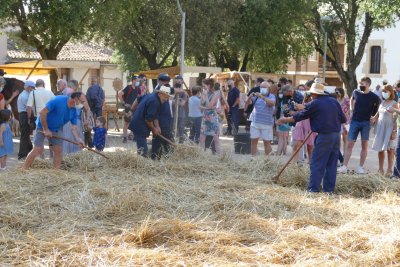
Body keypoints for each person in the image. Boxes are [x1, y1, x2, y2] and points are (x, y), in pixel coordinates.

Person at [277, 82, 346, 193]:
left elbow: (300, 116)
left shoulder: (315, 103)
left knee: (317, 163)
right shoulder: (334, 102)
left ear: (314, 93)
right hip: (336, 136)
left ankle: (313, 190)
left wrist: (284, 119)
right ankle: (328, 191)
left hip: (324, 136)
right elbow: (343, 119)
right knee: (331, 164)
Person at [23, 92, 85, 170]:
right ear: (76, 99)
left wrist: (78, 139)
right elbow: (42, 113)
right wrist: (46, 129)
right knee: (37, 149)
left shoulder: (74, 110)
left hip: (57, 129)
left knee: (58, 150)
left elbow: (74, 128)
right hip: (42, 126)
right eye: (82, 102)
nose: (83, 104)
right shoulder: (58, 100)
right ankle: (24, 169)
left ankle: (56, 172)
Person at [338, 77, 381, 174]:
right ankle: (344, 166)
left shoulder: (374, 97)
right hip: (355, 121)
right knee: (349, 144)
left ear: (368, 85)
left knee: (364, 146)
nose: (361, 85)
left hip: (366, 123)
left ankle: (360, 167)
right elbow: (352, 99)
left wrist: (375, 117)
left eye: (364, 84)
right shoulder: (356, 92)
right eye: (361, 83)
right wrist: (351, 108)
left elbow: (380, 106)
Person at [129, 85, 172, 157]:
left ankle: (140, 161)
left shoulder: (152, 96)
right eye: (165, 97)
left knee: (142, 148)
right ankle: (141, 165)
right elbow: (148, 120)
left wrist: (157, 126)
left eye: (167, 97)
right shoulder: (155, 102)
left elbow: (155, 115)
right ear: (160, 94)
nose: (166, 99)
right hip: (139, 125)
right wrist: (154, 129)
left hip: (138, 123)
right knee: (143, 150)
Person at [371, 85, 397, 176]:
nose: (384, 93)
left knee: (390, 149)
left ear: (390, 92)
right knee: (380, 149)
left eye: (385, 91)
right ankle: (380, 169)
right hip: (380, 127)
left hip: (389, 127)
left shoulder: (394, 103)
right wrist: (374, 118)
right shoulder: (382, 102)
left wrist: (394, 131)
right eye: (383, 91)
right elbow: (378, 112)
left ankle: (389, 170)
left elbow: (396, 118)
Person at [246, 81, 275, 156]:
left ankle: (267, 161)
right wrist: (249, 97)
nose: (262, 89)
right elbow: (247, 105)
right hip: (255, 122)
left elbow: (272, 103)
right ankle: (253, 158)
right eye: (261, 87)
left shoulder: (272, 96)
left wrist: (262, 97)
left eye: (264, 87)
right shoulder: (255, 96)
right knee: (253, 141)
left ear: (269, 88)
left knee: (267, 142)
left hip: (267, 124)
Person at [62, 80, 88, 156]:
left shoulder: (79, 95)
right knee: (71, 139)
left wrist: (87, 119)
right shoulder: (66, 95)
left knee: (71, 140)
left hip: (73, 121)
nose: (68, 88)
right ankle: (72, 157)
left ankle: (71, 157)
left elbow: (87, 108)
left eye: (69, 86)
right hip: (72, 121)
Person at [151, 74, 174, 160]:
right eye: (166, 82)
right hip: (161, 123)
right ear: (161, 81)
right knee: (158, 143)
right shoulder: (157, 94)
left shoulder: (164, 90)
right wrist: (157, 126)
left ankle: (163, 159)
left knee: (165, 143)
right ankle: (155, 159)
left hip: (166, 121)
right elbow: (155, 112)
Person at [291, 92, 316, 164]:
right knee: (296, 146)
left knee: (310, 148)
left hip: (310, 126)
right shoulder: (302, 103)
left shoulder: (315, 104)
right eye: (308, 96)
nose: (309, 97)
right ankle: (292, 165)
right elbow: (298, 112)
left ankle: (311, 165)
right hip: (300, 124)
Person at [200, 78, 222, 153]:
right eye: (202, 86)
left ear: (209, 85)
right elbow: (200, 106)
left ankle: (220, 156)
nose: (203, 88)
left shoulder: (215, 94)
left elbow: (209, 105)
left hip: (212, 118)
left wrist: (205, 96)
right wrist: (204, 96)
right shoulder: (203, 93)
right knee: (202, 138)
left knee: (215, 138)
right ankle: (201, 155)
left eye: (204, 86)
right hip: (205, 118)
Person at [17, 80, 35, 160]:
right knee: (24, 135)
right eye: (32, 87)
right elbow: (29, 108)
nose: (33, 89)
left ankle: (29, 150)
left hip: (23, 115)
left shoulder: (24, 94)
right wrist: (29, 118)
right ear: (28, 87)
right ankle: (22, 154)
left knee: (26, 134)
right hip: (25, 115)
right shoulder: (25, 96)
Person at [118, 75, 139, 143]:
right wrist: (124, 103)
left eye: (138, 81)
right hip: (128, 108)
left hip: (135, 108)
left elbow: (138, 97)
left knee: (134, 122)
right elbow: (120, 94)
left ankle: (131, 135)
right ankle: (125, 137)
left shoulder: (137, 88)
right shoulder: (128, 87)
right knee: (127, 122)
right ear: (133, 80)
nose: (138, 82)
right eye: (137, 80)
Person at [85, 77, 104, 147]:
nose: (92, 82)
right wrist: (101, 105)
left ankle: (90, 141)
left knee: (90, 123)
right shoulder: (100, 88)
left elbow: (86, 98)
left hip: (92, 108)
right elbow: (103, 98)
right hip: (98, 107)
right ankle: (99, 140)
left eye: (93, 81)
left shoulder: (90, 89)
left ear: (92, 82)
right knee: (100, 123)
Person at [335, 87, 350, 165]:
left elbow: (350, 109)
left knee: (345, 139)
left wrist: (349, 117)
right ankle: (339, 155)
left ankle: (344, 155)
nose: (337, 94)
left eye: (338, 92)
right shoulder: (335, 100)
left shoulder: (347, 100)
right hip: (337, 121)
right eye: (336, 92)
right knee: (338, 140)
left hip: (345, 121)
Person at [173, 75, 188, 143]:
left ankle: (181, 143)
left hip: (181, 113)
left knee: (181, 128)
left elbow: (182, 103)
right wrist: (178, 100)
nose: (178, 82)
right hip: (172, 113)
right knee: (172, 128)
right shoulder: (172, 90)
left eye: (179, 81)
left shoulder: (184, 93)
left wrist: (175, 100)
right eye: (176, 81)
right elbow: (169, 101)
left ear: (182, 82)